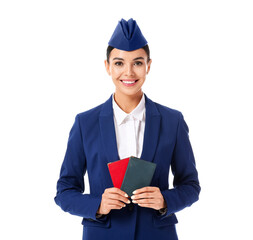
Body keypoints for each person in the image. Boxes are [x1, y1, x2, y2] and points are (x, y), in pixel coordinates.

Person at [54, 18, 200, 240]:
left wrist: (165, 201)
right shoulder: (85, 123)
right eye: (120, 63)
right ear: (107, 66)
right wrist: (98, 205)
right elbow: (64, 191)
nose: (129, 72)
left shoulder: (173, 121)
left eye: (138, 63)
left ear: (148, 66)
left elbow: (191, 185)